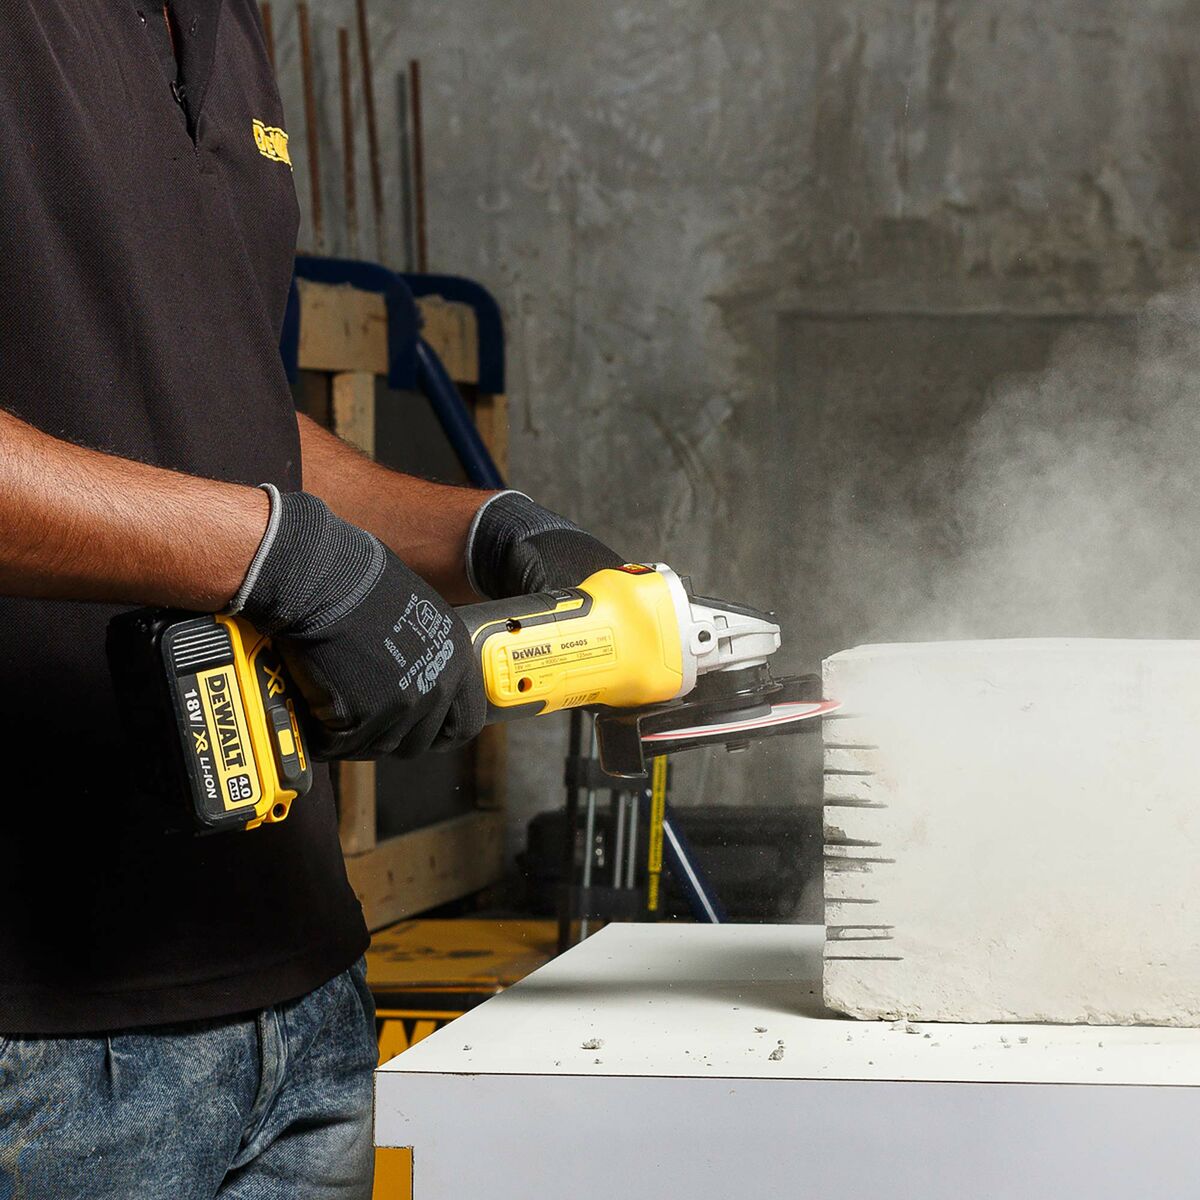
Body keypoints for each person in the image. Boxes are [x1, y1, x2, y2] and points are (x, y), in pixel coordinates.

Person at [0, 3, 620, 1196]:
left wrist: (481, 530)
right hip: (40, 1046)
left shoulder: (227, 23)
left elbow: (229, 421)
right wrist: (276, 557)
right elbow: (259, 525)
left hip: (305, 1006)